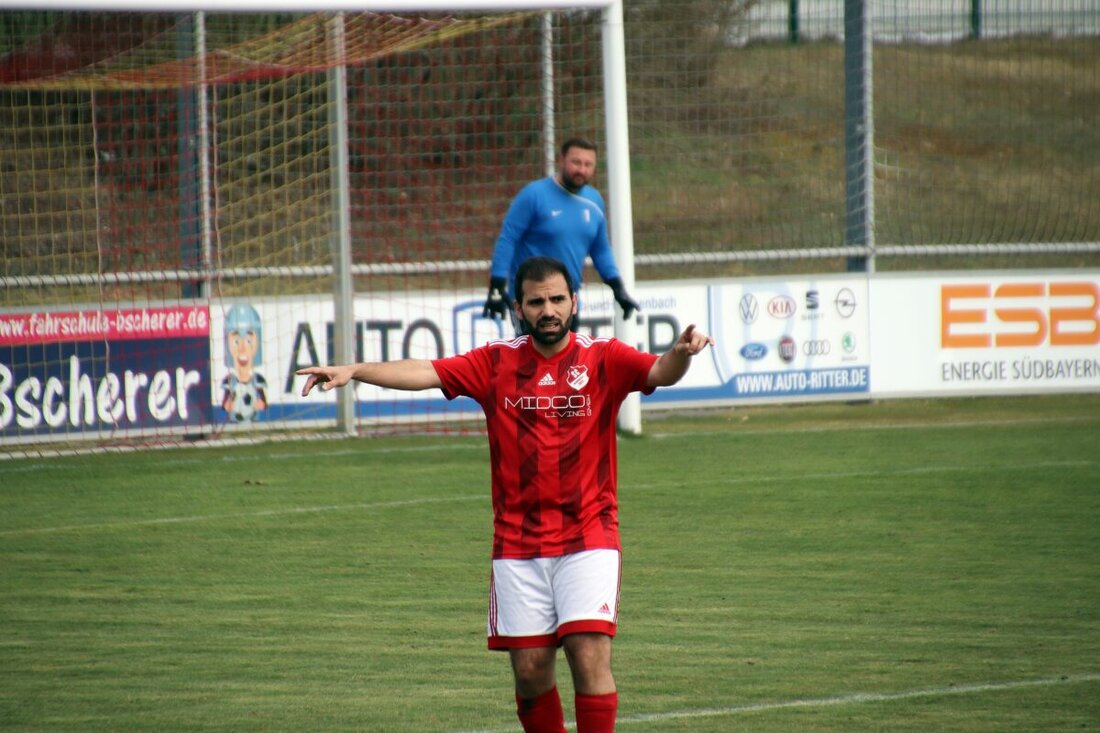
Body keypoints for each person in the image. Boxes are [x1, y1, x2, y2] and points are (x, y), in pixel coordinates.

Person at [297, 256, 713, 733]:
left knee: (588, 651)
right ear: (519, 307)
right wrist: (356, 370)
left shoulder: (604, 357)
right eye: (537, 302)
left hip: (589, 537)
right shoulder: (496, 362)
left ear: (574, 302)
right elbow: (428, 370)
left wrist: (682, 352)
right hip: (518, 543)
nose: (548, 310)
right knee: (531, 671)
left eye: (557, 299)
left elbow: (661, 371)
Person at [483, 138, 641, 333]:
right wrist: (497, 286)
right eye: (576, 162)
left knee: (567, 361)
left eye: (588, 164)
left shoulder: (594, 201)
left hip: (567, 299)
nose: (581, 170)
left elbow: (600, 249)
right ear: (561, 160)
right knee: (532, 360)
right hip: (532, 299)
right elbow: (508, 239)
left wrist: (617, 288)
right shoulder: (533, 195)